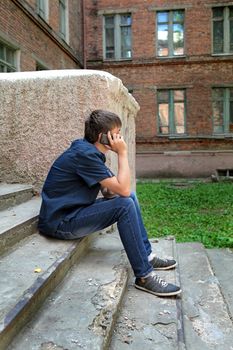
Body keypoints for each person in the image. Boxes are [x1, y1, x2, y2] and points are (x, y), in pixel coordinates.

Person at [38, 110, 181, 297]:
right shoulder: (84, 154)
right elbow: (122, 189)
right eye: (117, 132)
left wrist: (111, 185)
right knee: (125, 203)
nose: (120, 137)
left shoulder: (88, 151)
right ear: (102, 136)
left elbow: (113, 190)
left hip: (74, 212)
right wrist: (122, 153)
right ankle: (144, 276)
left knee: (130, 198)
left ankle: (147, 256)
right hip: (61, 222)